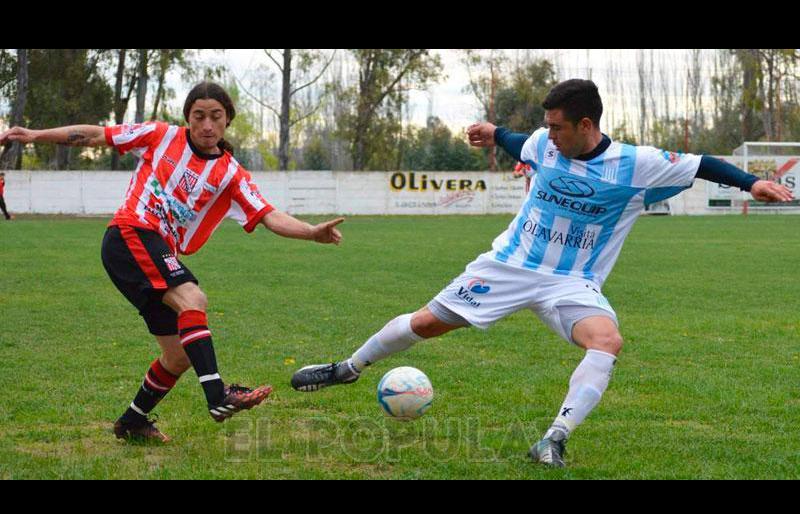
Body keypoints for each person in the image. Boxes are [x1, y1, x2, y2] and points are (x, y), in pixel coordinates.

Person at [290, 79, 794, 467]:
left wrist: (753, 184)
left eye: (557, 127)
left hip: (572, 282)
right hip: (508, 265)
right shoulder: (543, 144)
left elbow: (703, 163)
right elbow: (515, 139)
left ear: (587, 126)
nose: (548, 135)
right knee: (424, 324)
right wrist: (490, 133)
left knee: (607, 341)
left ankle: (553, 440)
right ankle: (347, 368)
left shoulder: (636, 164)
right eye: (547, 126)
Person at [0, 81, 345, 443]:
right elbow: (95, 136)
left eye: (216, 117)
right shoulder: (160, 135)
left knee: (178, 356)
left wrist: (311, 231)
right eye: (199, 117)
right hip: (130, 232)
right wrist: (34, 134)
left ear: (227, 121)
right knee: (192, 299)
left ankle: (132, 421)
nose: (207, 125)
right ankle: (218, 396)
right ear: (188, 119)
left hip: (153, 250)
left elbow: (268, 214)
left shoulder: (231, 173)